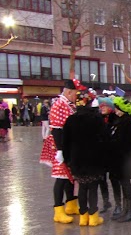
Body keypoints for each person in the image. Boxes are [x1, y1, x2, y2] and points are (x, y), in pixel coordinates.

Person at [39, 79, 85, 224]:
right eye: (75, 93)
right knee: (61, 177)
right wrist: (60, 150)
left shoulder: (69, 104)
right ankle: (58, 210)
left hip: (69, 145)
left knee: (70, 176)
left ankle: (71, 204)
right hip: (61, 145)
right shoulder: (59, 104)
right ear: (69, 91)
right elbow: (57, 129)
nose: (76, 96)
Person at [63, 95, 106, 227]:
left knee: (82, 187)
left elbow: (66, 142)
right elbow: (104, 139)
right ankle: (93, 217)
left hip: (77, 159)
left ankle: (83, 217)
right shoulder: (97, 119)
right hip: (94, 159)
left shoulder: (70, 120)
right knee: (93, 188)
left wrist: (67, 159)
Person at [108, 97, 131, 222]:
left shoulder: (128, 122)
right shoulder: (121, 120)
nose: (116, 111)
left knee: (125, 183)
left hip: (125, 159)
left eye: (118, 109)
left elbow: (124, 141)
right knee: (123, 183)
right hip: (120, 159)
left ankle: (130, 211)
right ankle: (125, 210)